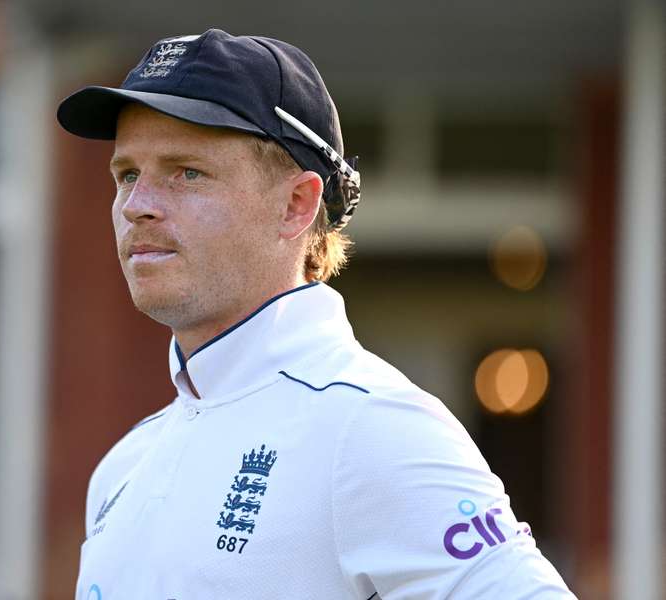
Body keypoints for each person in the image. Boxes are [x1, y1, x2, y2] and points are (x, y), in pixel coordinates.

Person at [57, 28, 576, 599]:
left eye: (187, 172)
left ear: (296, 204)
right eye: (127, 174)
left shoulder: (374, 426)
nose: (137, 206)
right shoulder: (123, 465)